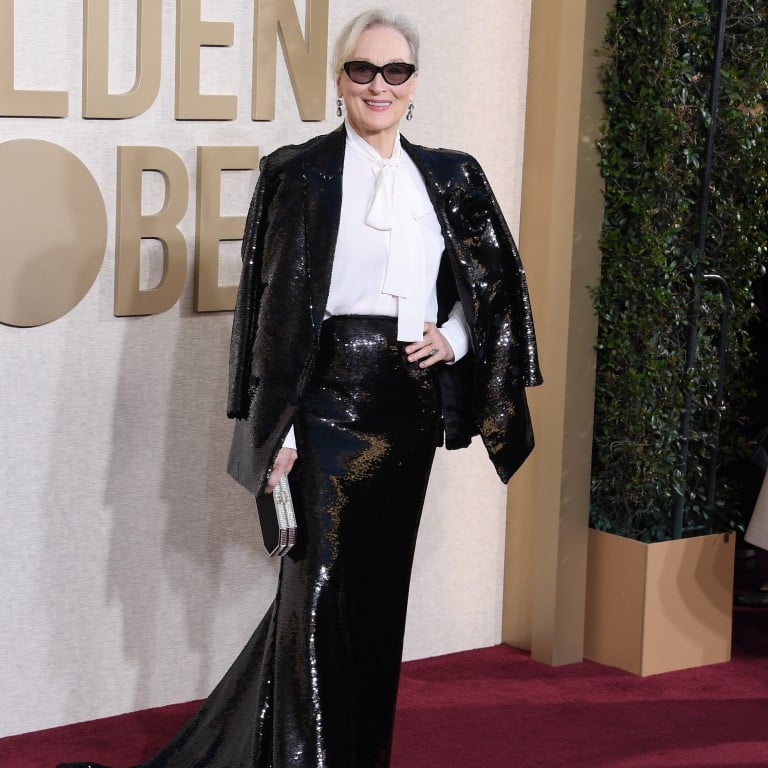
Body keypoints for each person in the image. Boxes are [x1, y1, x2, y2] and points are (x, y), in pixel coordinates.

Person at [58, 8, 541, 768]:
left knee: (377, 604)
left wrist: (456, 335)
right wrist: (274, 426)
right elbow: (270, 316)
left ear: (416, 84)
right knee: (313, 596)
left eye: (396, 72)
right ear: (338, 79)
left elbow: (494, 289)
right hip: (321, 408)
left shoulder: (451, 176)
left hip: (406, 410)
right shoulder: (299, 171)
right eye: (361, 70)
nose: (378, 86)